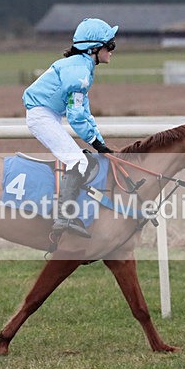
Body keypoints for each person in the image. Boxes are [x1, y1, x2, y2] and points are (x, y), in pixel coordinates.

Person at [22, 18, 118, 238]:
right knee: (78, 160)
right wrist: (96, 143)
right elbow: (75, 117)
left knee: (82, 158)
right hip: (42, 115)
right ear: (93, 49)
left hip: (48, 114)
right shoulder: (78, 72)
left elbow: (84, 112)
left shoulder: (82, 67)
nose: (112, 51)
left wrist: (100, 142)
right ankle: (63, 218)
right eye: (109, 46)